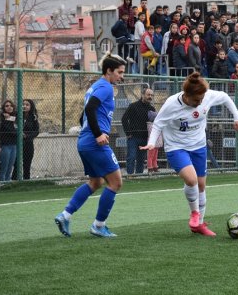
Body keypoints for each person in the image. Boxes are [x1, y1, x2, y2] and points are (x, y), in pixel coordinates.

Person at [141, 72, 238, 236]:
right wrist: (151, 143)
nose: (200, 102)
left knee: (201, 185)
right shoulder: (171, 104)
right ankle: (194, 214)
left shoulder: (205, 96)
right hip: (176, 147)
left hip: (198, 146)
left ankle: (199, 225)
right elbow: (158, 124)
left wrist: (237, 117)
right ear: (186, 96)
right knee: (191, 179)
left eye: (202, 99)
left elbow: (224, 97)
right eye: (196, 100)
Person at [54, 53, 127, 238]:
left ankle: (65, 215)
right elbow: (89, 109)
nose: (121, 76)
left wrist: (90, 133)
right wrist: (98, 134)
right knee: (116, 182)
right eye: (119, 72)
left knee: (96, 182)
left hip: (84, 141)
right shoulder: (106, 87)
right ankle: (98, 225)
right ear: (109, 71)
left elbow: (83, 115)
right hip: (94, 143)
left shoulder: (94, 86)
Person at [121, 88, 155, 175]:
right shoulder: (133, 106)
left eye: (151, 95)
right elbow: (124, 119)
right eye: (148, 95)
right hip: (133, 137)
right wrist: (128, 133)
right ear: (142, 95)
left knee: (141, 159)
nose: (150, 97)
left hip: (144, 138)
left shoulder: (152, 109)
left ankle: (139, 176)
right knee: (131, 157)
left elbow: (154, 123)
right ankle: (130, 176)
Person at [12, 99, 39, 181]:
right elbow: (12, 126)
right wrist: (19, 133)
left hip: (28, 143)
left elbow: (36, 131)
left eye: (27, 105)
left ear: (31, 107)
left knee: (27, 164)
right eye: (23, 104)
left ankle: (27, 180)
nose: (25, 106)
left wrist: (26, 136)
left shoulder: (33, 117)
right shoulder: (17, 116)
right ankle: (14, 180)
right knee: (16, 163)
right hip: (17, 143)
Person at [0, 100, 18, 182]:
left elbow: (16, 129)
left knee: (10, 167)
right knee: (4, 167)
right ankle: (2, 183)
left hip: (13, 145)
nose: (9, 107)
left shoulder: (15, 118)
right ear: (3, 108)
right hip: (5, 145)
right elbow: (10, 130)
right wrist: (7, 119)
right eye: (6, 106)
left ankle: (8, 183)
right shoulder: (2, 118)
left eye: (11, 105)